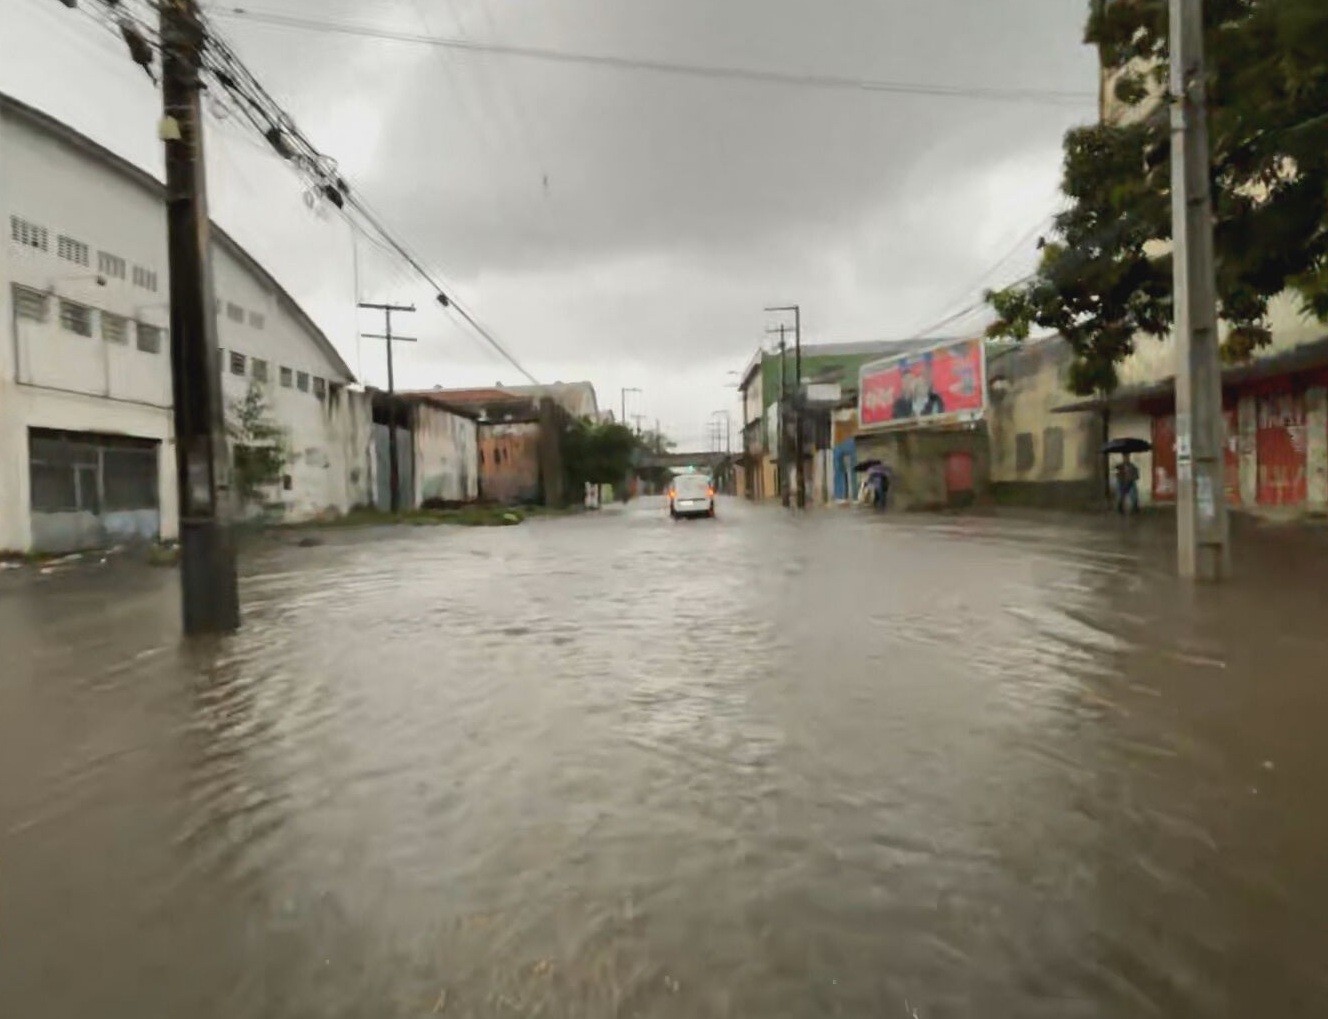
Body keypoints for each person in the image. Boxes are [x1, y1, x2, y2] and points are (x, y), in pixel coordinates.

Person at [891, 354, 946, 420]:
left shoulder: (934, 399)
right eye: (918, 386)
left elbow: (939, 414)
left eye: (922, 385)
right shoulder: (901, 403)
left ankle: (905, 364)